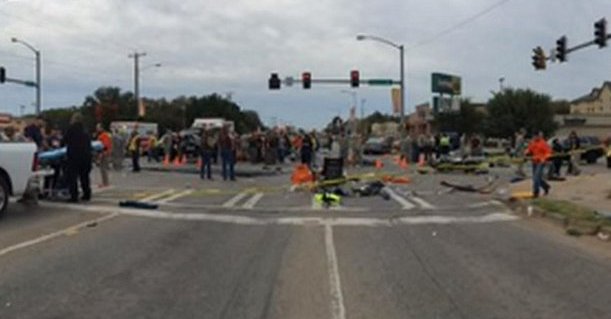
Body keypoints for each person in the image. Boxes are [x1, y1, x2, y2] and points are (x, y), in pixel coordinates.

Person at [63, 113, 92, 202]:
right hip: (86, 156)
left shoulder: (71, 129)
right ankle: (87, 194)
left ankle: (74, 196)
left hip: (74, 156)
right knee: (84, 176)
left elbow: (64, 140)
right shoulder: (85, 130)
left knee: (72, 177)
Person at [526, 131, 552, 198]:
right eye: (533, 137)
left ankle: (535, 192)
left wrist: (545, 158)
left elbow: (549, 152)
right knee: (537, 178)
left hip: (541, 162)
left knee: (536, 177)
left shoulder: (543, 143)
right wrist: (527, 152)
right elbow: (529, 150)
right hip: (534, 161)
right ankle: (546, 186)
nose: (534, 138)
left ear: (538, 136)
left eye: (535, 136)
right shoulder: (532, 143)